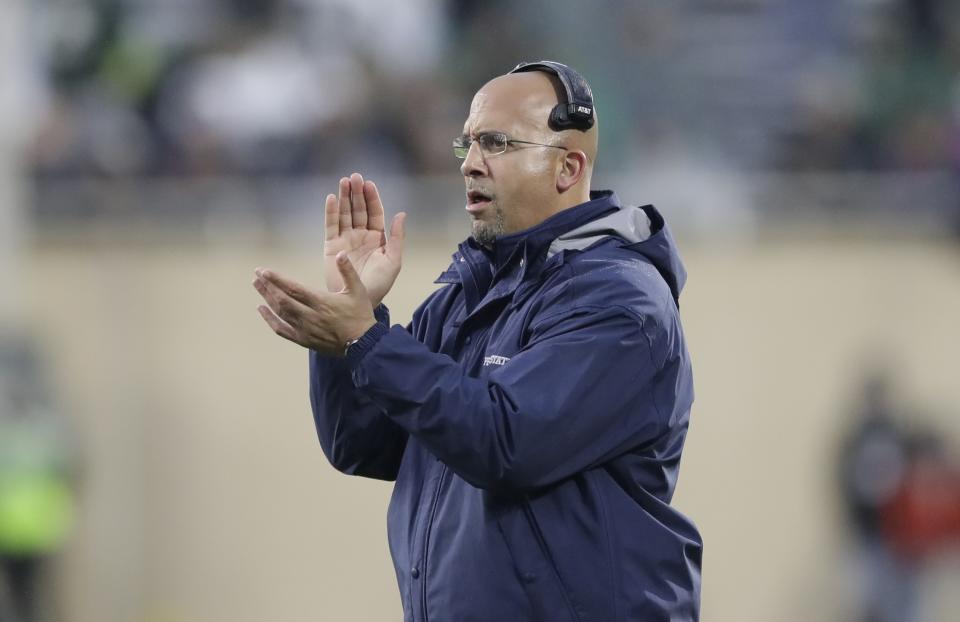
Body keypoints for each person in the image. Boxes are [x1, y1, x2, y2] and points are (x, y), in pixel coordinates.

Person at [253, 60, 702, 621]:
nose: (469, 164)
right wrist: (355, 320)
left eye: (495, 143)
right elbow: (363, 443)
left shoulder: (621, 302)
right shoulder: (469, 294)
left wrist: (365, 341)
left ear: (567, 167)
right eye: (466, 143)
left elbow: (504, 441)